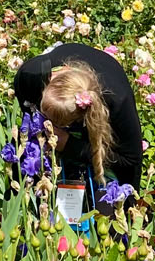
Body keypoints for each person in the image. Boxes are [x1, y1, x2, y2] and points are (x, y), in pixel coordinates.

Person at [13, 43, 143, 220]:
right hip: (59, 119)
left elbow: (130, 161)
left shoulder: (118, 102)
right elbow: (27, 112)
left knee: (107, 213)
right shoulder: (32, 75)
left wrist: (69, 145)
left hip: (99, 132)